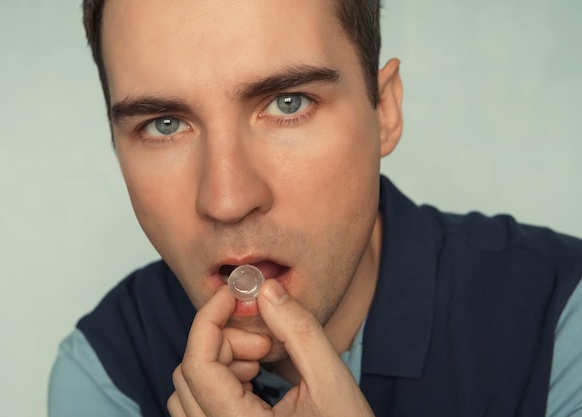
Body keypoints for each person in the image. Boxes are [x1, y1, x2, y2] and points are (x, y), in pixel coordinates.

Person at [48, 0, 582, 416]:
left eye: (288, 103)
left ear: (385, 112)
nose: (228, 201)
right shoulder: (104, 372)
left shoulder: (562, 323)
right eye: (164, 124)